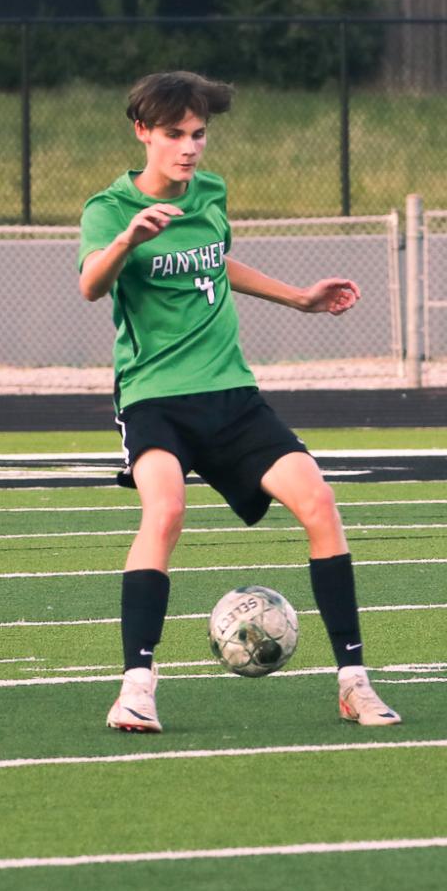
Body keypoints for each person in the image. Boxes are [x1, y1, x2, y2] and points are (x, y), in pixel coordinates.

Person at [78, 70, 399, 734]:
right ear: (143, 131)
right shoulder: (109, 208)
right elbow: (90, 285)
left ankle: (354, 683)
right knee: (164, 510)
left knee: (318, 501)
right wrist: (125, 242)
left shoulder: (211, 193)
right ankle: (136, 686)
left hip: (230, 394)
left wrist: (299, 297)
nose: (189, 147)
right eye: (174, 134)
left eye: (198, 134)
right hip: (154, 397)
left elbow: (215, 261)